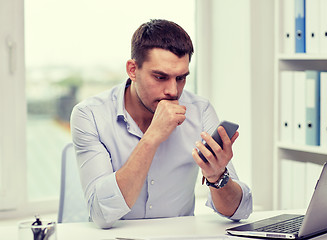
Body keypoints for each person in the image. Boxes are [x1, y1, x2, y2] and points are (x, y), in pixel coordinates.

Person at [70, 19, 252, 229]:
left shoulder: (199, 111)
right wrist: (152, 137)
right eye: (160, 77)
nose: (173, 91)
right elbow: (101, 214)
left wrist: (218, 177)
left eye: (181, 78)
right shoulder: (89, 115)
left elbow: (241, 211)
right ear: (132, 69)